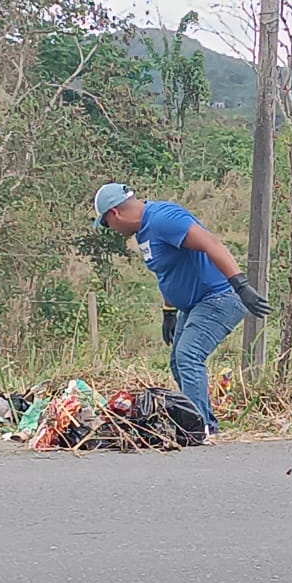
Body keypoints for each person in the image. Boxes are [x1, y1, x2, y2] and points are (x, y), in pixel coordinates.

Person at [93, 182, 271, 440]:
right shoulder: (144, 231)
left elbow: (211, 243)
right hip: (194, 304)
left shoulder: (163, 218)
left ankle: (197, 429)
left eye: (107, 224)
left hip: (219, 297)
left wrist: (241, 285)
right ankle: (206, 423)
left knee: (189, 356)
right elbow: (169, 272)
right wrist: (169, 312)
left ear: (114, 213)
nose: (111, 230)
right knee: (178, 363)